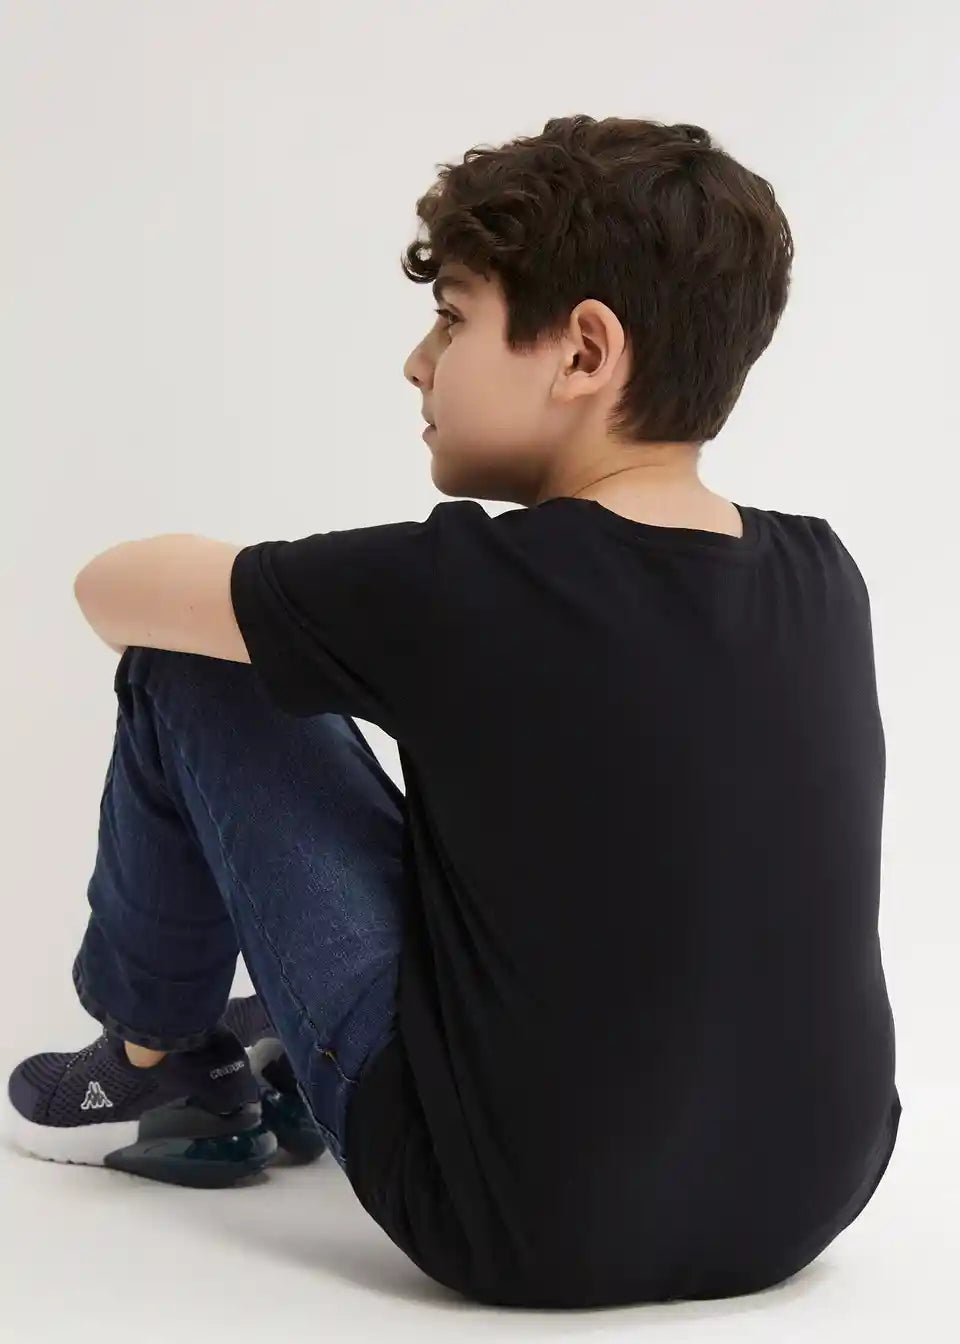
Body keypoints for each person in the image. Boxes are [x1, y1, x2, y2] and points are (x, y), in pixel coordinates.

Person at [5, 116, 901, 1309]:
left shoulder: (465, 584)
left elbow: (108, 591)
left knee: (193, 660)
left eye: (452, 318)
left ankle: (153, 1063)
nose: (418, 364)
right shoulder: (824, 576)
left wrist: (272, 602)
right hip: (812, 1197)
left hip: (516, 1222)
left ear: (584, 351)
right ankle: (263, 1034)